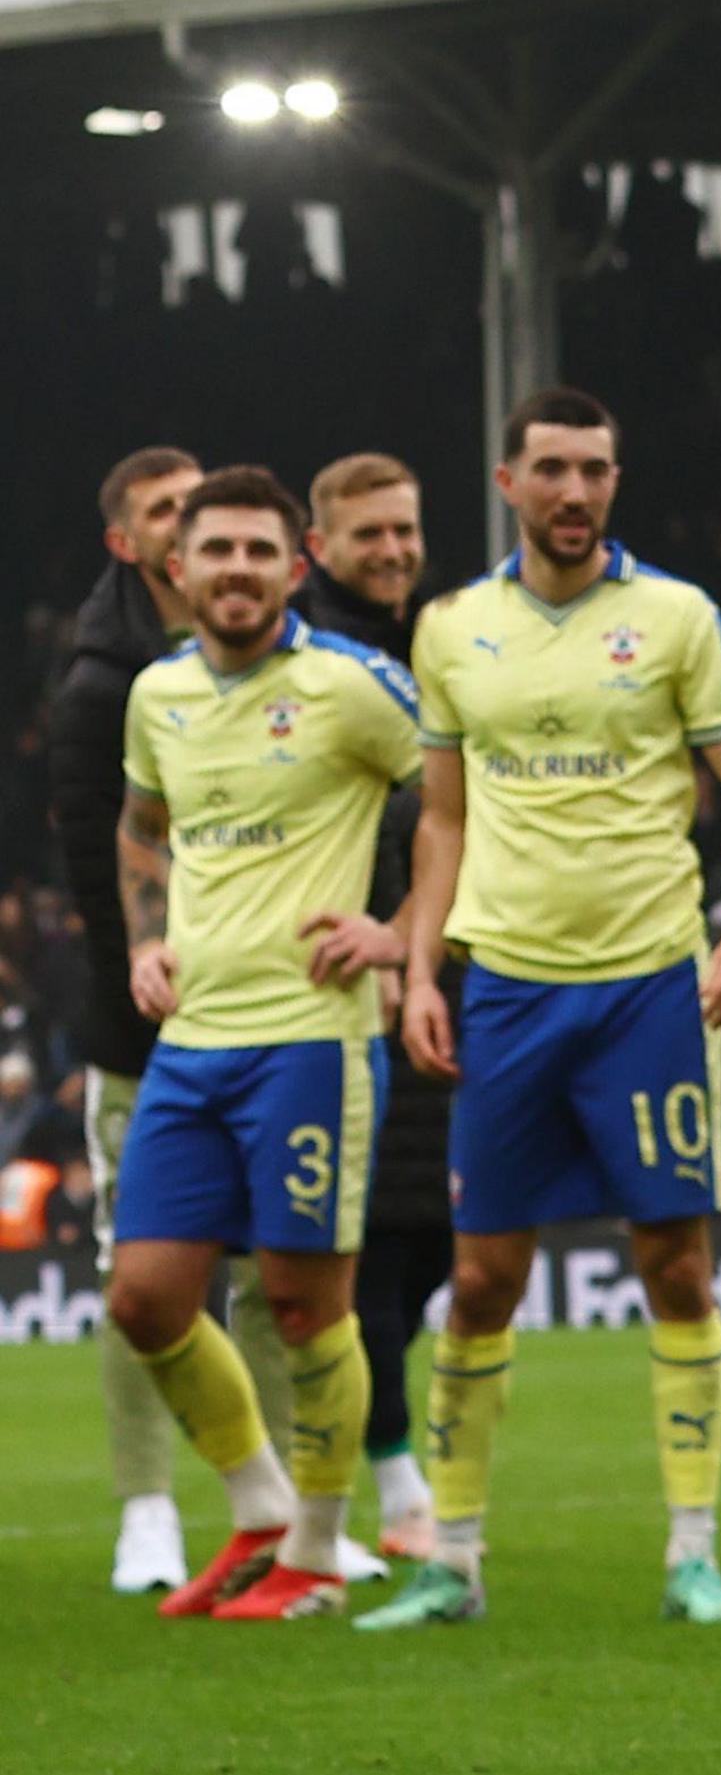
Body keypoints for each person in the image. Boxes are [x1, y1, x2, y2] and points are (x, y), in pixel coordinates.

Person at [361, 387, 721, 1630]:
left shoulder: (674, 618)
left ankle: (693, 1553)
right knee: (484, 1277)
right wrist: (425, 968)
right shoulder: (451, 629)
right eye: (551, 468)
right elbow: (439, 818)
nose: (575, 491)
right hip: (507, 990)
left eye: (595, 470)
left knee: (677, 1265)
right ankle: (453, 1561)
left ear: (614, 481)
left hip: (651, 983)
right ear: (508, 481)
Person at [104, 468, 421, 1619]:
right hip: (193, 1042)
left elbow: (465, 797)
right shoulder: (156, 694)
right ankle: (261, 1509)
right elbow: (141, 824)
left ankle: (319, 1554)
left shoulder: (353, 684)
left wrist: (402, 934)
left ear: (297, 567)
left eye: (259, 551)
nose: (236, 569)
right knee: (144, 1297)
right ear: (176, 569)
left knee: (303, 1302)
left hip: (312, 1040)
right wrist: (148, 935)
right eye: (215, 550)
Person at [51, 443, 309, 1594]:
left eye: (194, 505)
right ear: (131, 543)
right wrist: (140, 1009)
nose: (185, 523)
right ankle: (145, 1504)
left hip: (271, 1016)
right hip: (148, 1030)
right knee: (141, 1274)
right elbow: (100, 867)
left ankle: (284, 1497)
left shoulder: (269, 666)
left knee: (272, 1270)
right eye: (164, 512)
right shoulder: (107, 685)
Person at [296, 451, 450, 1557]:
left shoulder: (439, 644)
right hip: (344, 986)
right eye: (368, 536)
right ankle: (388, 1492)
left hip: (446, 976)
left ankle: (373, 1479)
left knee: (433, 1240)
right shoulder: (303, 661)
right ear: (321, 548)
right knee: (381, 1250)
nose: (392, 550)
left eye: (405, 530)